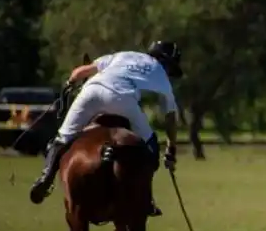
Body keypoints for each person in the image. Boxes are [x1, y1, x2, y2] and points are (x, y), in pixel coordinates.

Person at [29, 41, 183, 216]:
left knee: (61, 139)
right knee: (151, 144)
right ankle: (146, 199)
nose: (169, 73)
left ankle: (46, 177)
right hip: (122, 98)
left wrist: (69, 85)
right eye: (170, 68)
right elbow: (170, 116)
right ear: (165, 62)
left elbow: (80, 72)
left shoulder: (123, 54)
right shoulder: (160, 73)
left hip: (91, 92)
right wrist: (171, 149)